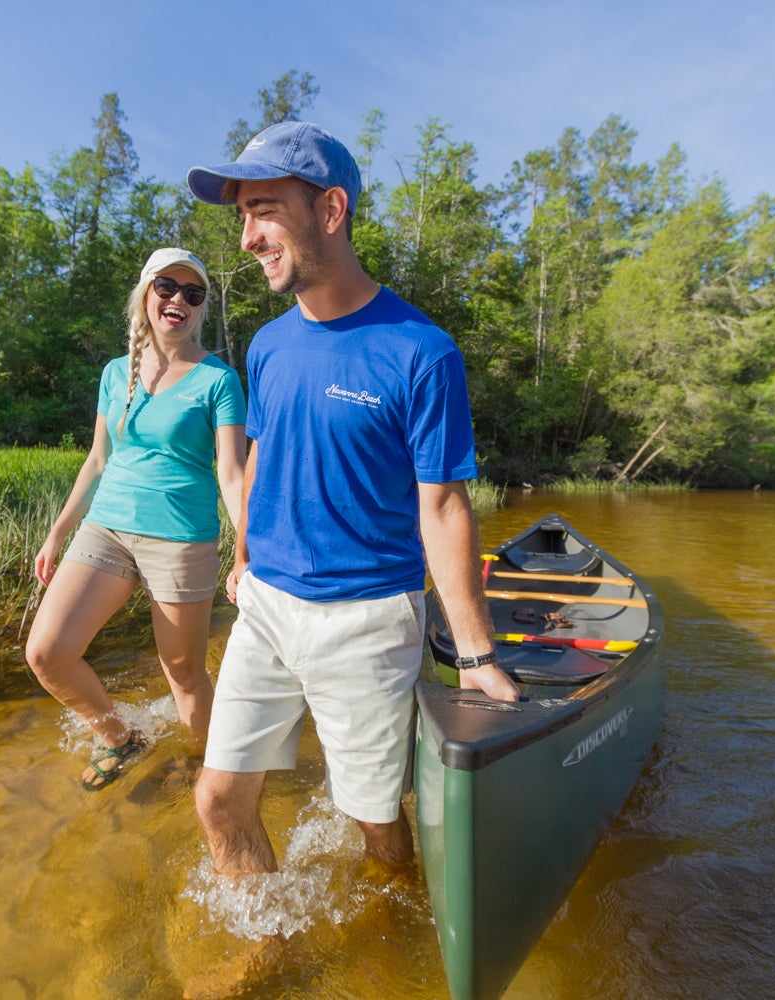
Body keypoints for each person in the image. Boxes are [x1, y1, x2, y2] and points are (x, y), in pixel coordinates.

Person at [183, 122, 520, 873]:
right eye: (241, 215)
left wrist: (475, 655)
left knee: (376, 828)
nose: (246, 238)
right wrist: (242, 558)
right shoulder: (268, 347)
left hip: (369, 621)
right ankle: (260, 956)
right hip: (267, 606)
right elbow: (263, 463)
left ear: (330, 209)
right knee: (217, 800)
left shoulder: (421, 351)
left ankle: (392, 946)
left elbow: (442, 508)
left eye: (263, 209)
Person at [25, 247, 246, 791]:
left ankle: (203, 769)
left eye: (193, 294)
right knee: (47, 652)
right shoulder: (114, 371)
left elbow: (233, 476)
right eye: (167, 287)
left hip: (180, 540)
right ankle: (119, 737)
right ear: (146, 293)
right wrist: (58, 531)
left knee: (184, 674)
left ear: (201, 310)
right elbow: (99, 459)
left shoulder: (218, 380)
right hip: (106, 528)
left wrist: (246, 552)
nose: (178, 301)